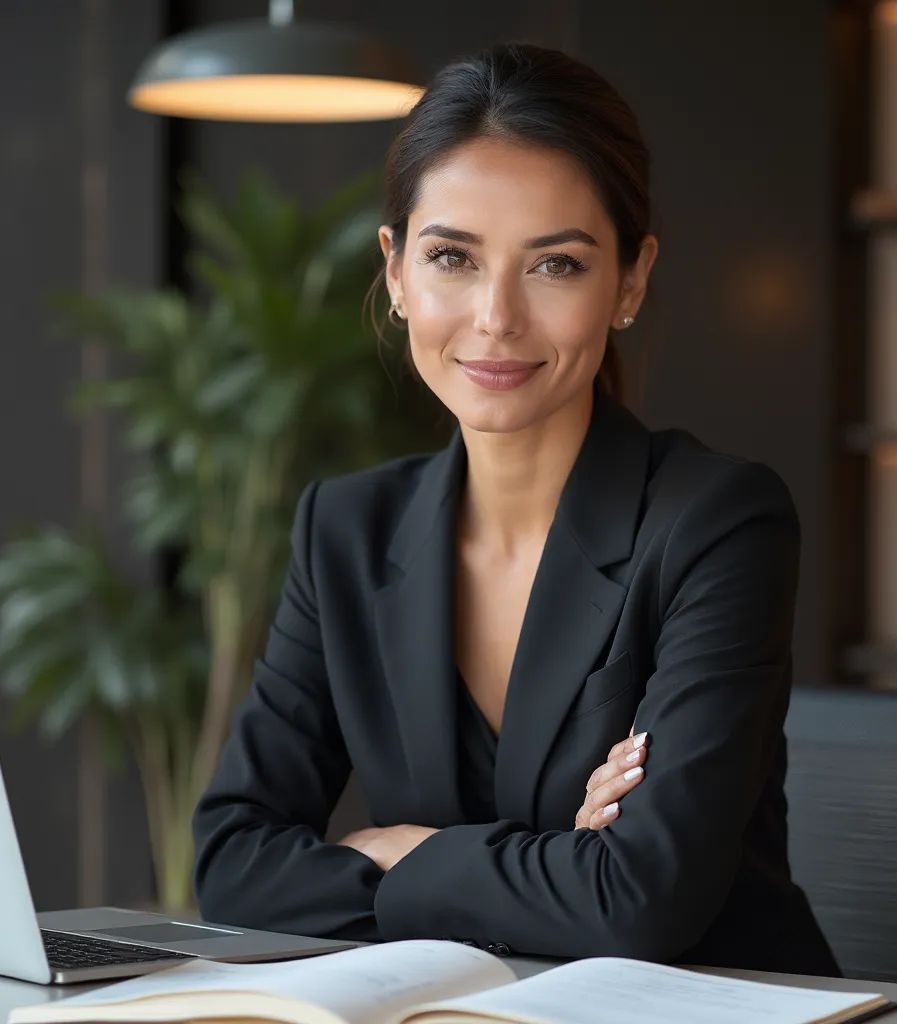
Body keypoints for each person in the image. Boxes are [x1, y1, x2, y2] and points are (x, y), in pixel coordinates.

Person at [192, 41, 839, 976]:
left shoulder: (716, 523)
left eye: (556, 266)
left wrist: (402, 850)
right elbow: (231, 865)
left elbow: (639, 901)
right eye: (452, 256)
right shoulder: (346, 530)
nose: (496, 316)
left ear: (631, 281)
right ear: (397, 271)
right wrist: (559, 866)